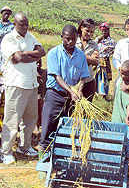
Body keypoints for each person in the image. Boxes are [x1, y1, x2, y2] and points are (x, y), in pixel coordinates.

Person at [0, 13, 46, 164]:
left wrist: (27, 54)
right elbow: (19, 58)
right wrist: (31, 55)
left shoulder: (30, 37)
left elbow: (42, 52)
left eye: (26, 24)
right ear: (14, 24)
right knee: (12, 120)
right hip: (16, 84)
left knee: (30, 119)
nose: (25, 27)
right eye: (21, 24)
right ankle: (5, 151)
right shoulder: (9, 39)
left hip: (32, 84)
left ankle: (24, 146)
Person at [38, 25, 90, 158]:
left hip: (72, 99)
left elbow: (84, 76)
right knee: (48, 127)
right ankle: (43, 160)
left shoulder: (81, 55)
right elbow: (57, 77)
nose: (70, 42)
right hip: (55, 95)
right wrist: (70, 91)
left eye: (73, 39)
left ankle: (62, 158)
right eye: (67, 39)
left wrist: (79, 89)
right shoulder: (54, 53)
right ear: (62, 37)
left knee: (68, 129)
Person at [76, 18, 99, 102]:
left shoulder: (94, 45)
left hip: (89, 81)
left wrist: (79, 56)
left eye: (92, 32)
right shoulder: (73, 41)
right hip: (74, 82)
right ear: (81, 28)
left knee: (86, 110)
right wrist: (89, 59)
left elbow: (96, 61)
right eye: (87, 30)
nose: (89, 34)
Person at [111, 60, 129, 127]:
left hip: (125, 115)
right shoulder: (120, 80)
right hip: (117, 113)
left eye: (126, 75)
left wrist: (127, 118)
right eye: (122, 73)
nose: (123, 76)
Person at [95, 22, 116, 98]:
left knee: (105, 78)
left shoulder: (111, 41)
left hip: (105, 62)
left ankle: (104, 94)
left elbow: (114, 50)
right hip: (97, 61)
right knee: (97, 77)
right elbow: (94, 47)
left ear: (108, 31)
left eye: (105, 30)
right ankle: (97, 92)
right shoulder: (98, 39)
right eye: (102, 30)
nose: (103, 32)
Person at [36, 58, 47, 132]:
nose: (38, 64)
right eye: (36, 63)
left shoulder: (44, 72)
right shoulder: (32, 73)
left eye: (40, 62)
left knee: (42, 114)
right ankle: (36, 128)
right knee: (36, 114)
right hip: (35, 98)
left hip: (43, 97)